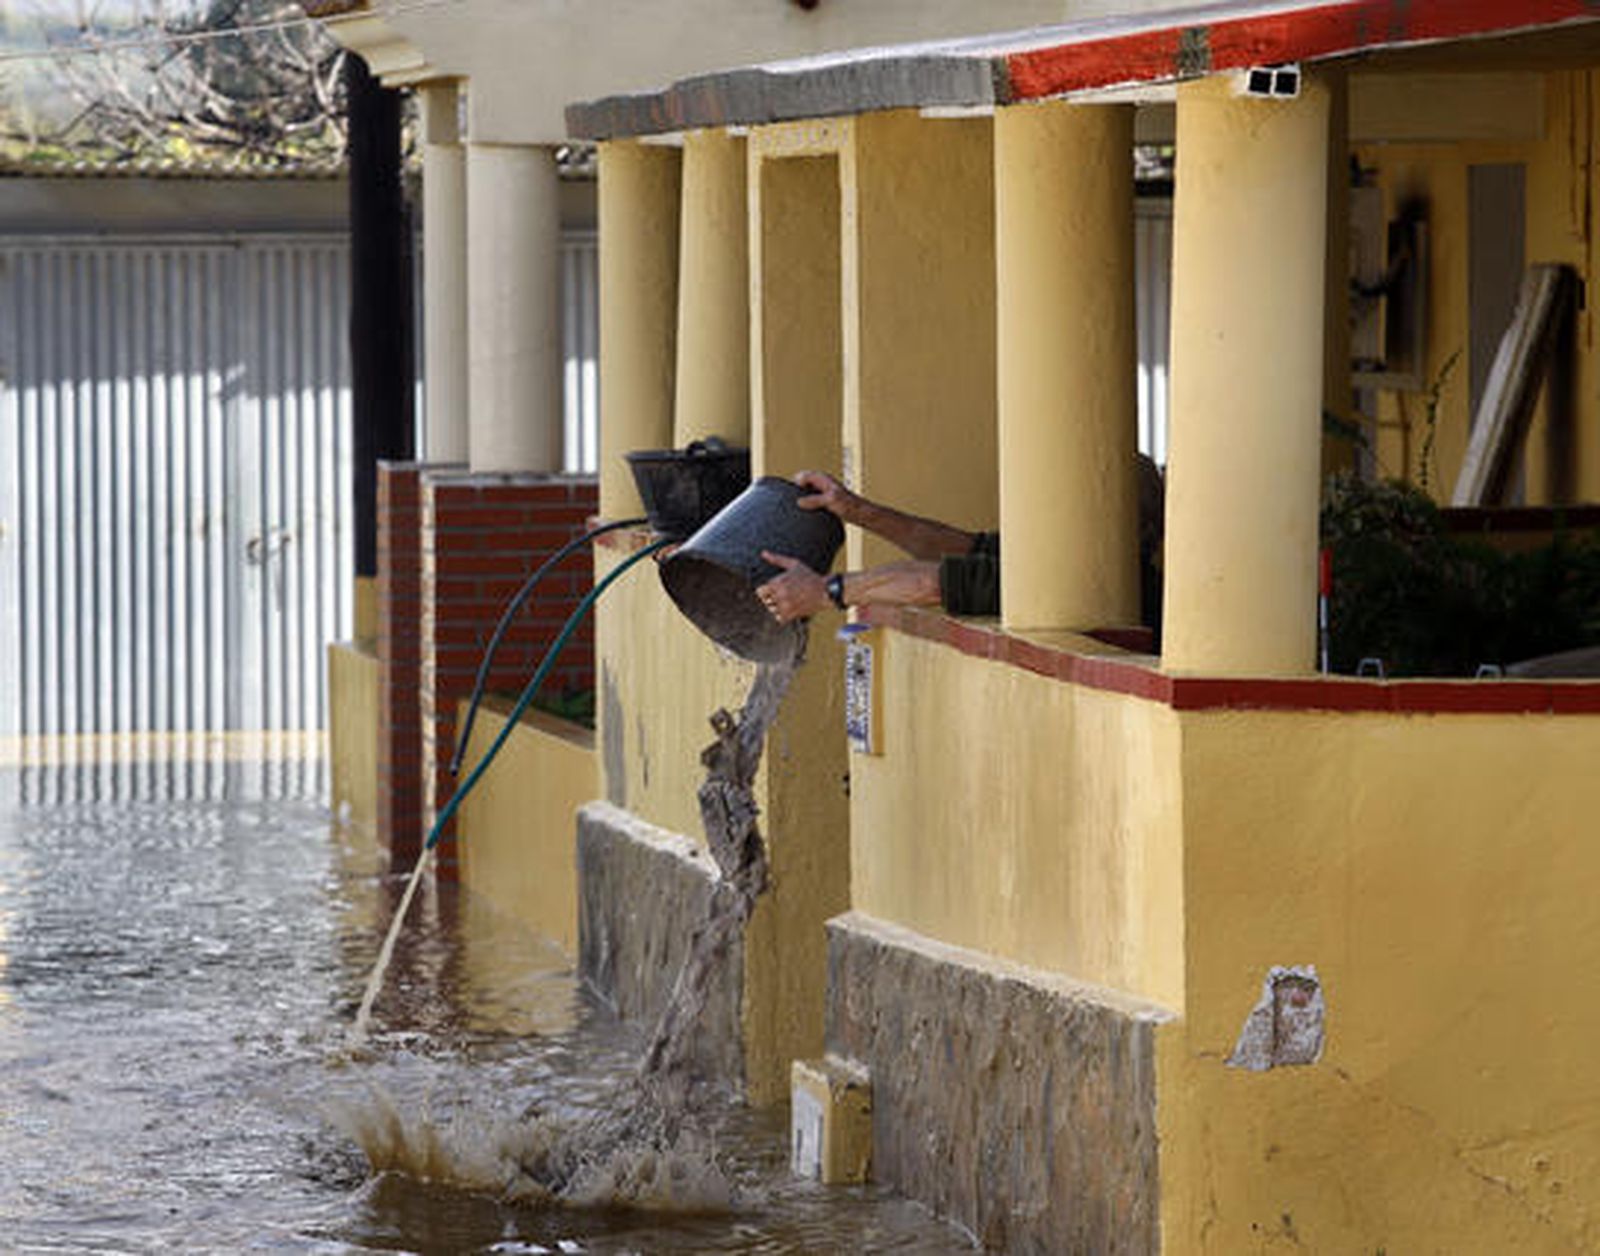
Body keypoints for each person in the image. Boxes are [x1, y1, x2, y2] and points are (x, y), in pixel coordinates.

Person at [755, 459, 1165, 635]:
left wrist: (826, 592)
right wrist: (854, 509)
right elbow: (960, 548)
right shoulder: (1064, 555)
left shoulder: (1094, 581)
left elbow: (932, 584)